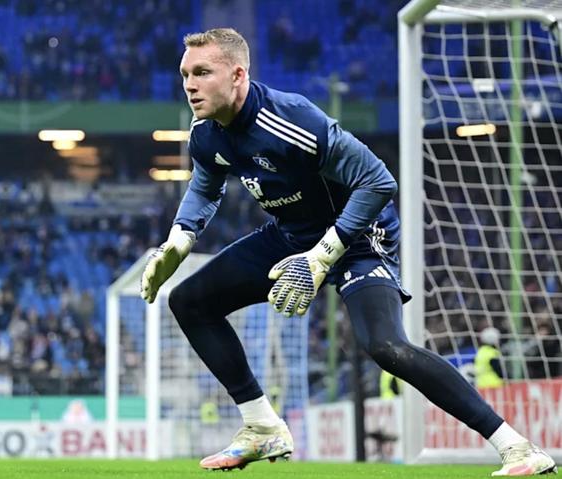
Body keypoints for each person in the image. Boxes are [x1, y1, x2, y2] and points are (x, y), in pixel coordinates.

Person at [140, 28, 557, 475]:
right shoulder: (205, 133)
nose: (189, 85)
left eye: (202, 72)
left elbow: (378, 181)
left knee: (386, 346)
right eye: (185, 74)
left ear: (238, 75)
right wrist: (180, 239)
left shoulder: (292, 120)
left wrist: (322, 256)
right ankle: (262, 427)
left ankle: (517, 447)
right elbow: (205, 186)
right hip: (292, 236)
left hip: (359, 239)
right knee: (190, 301)